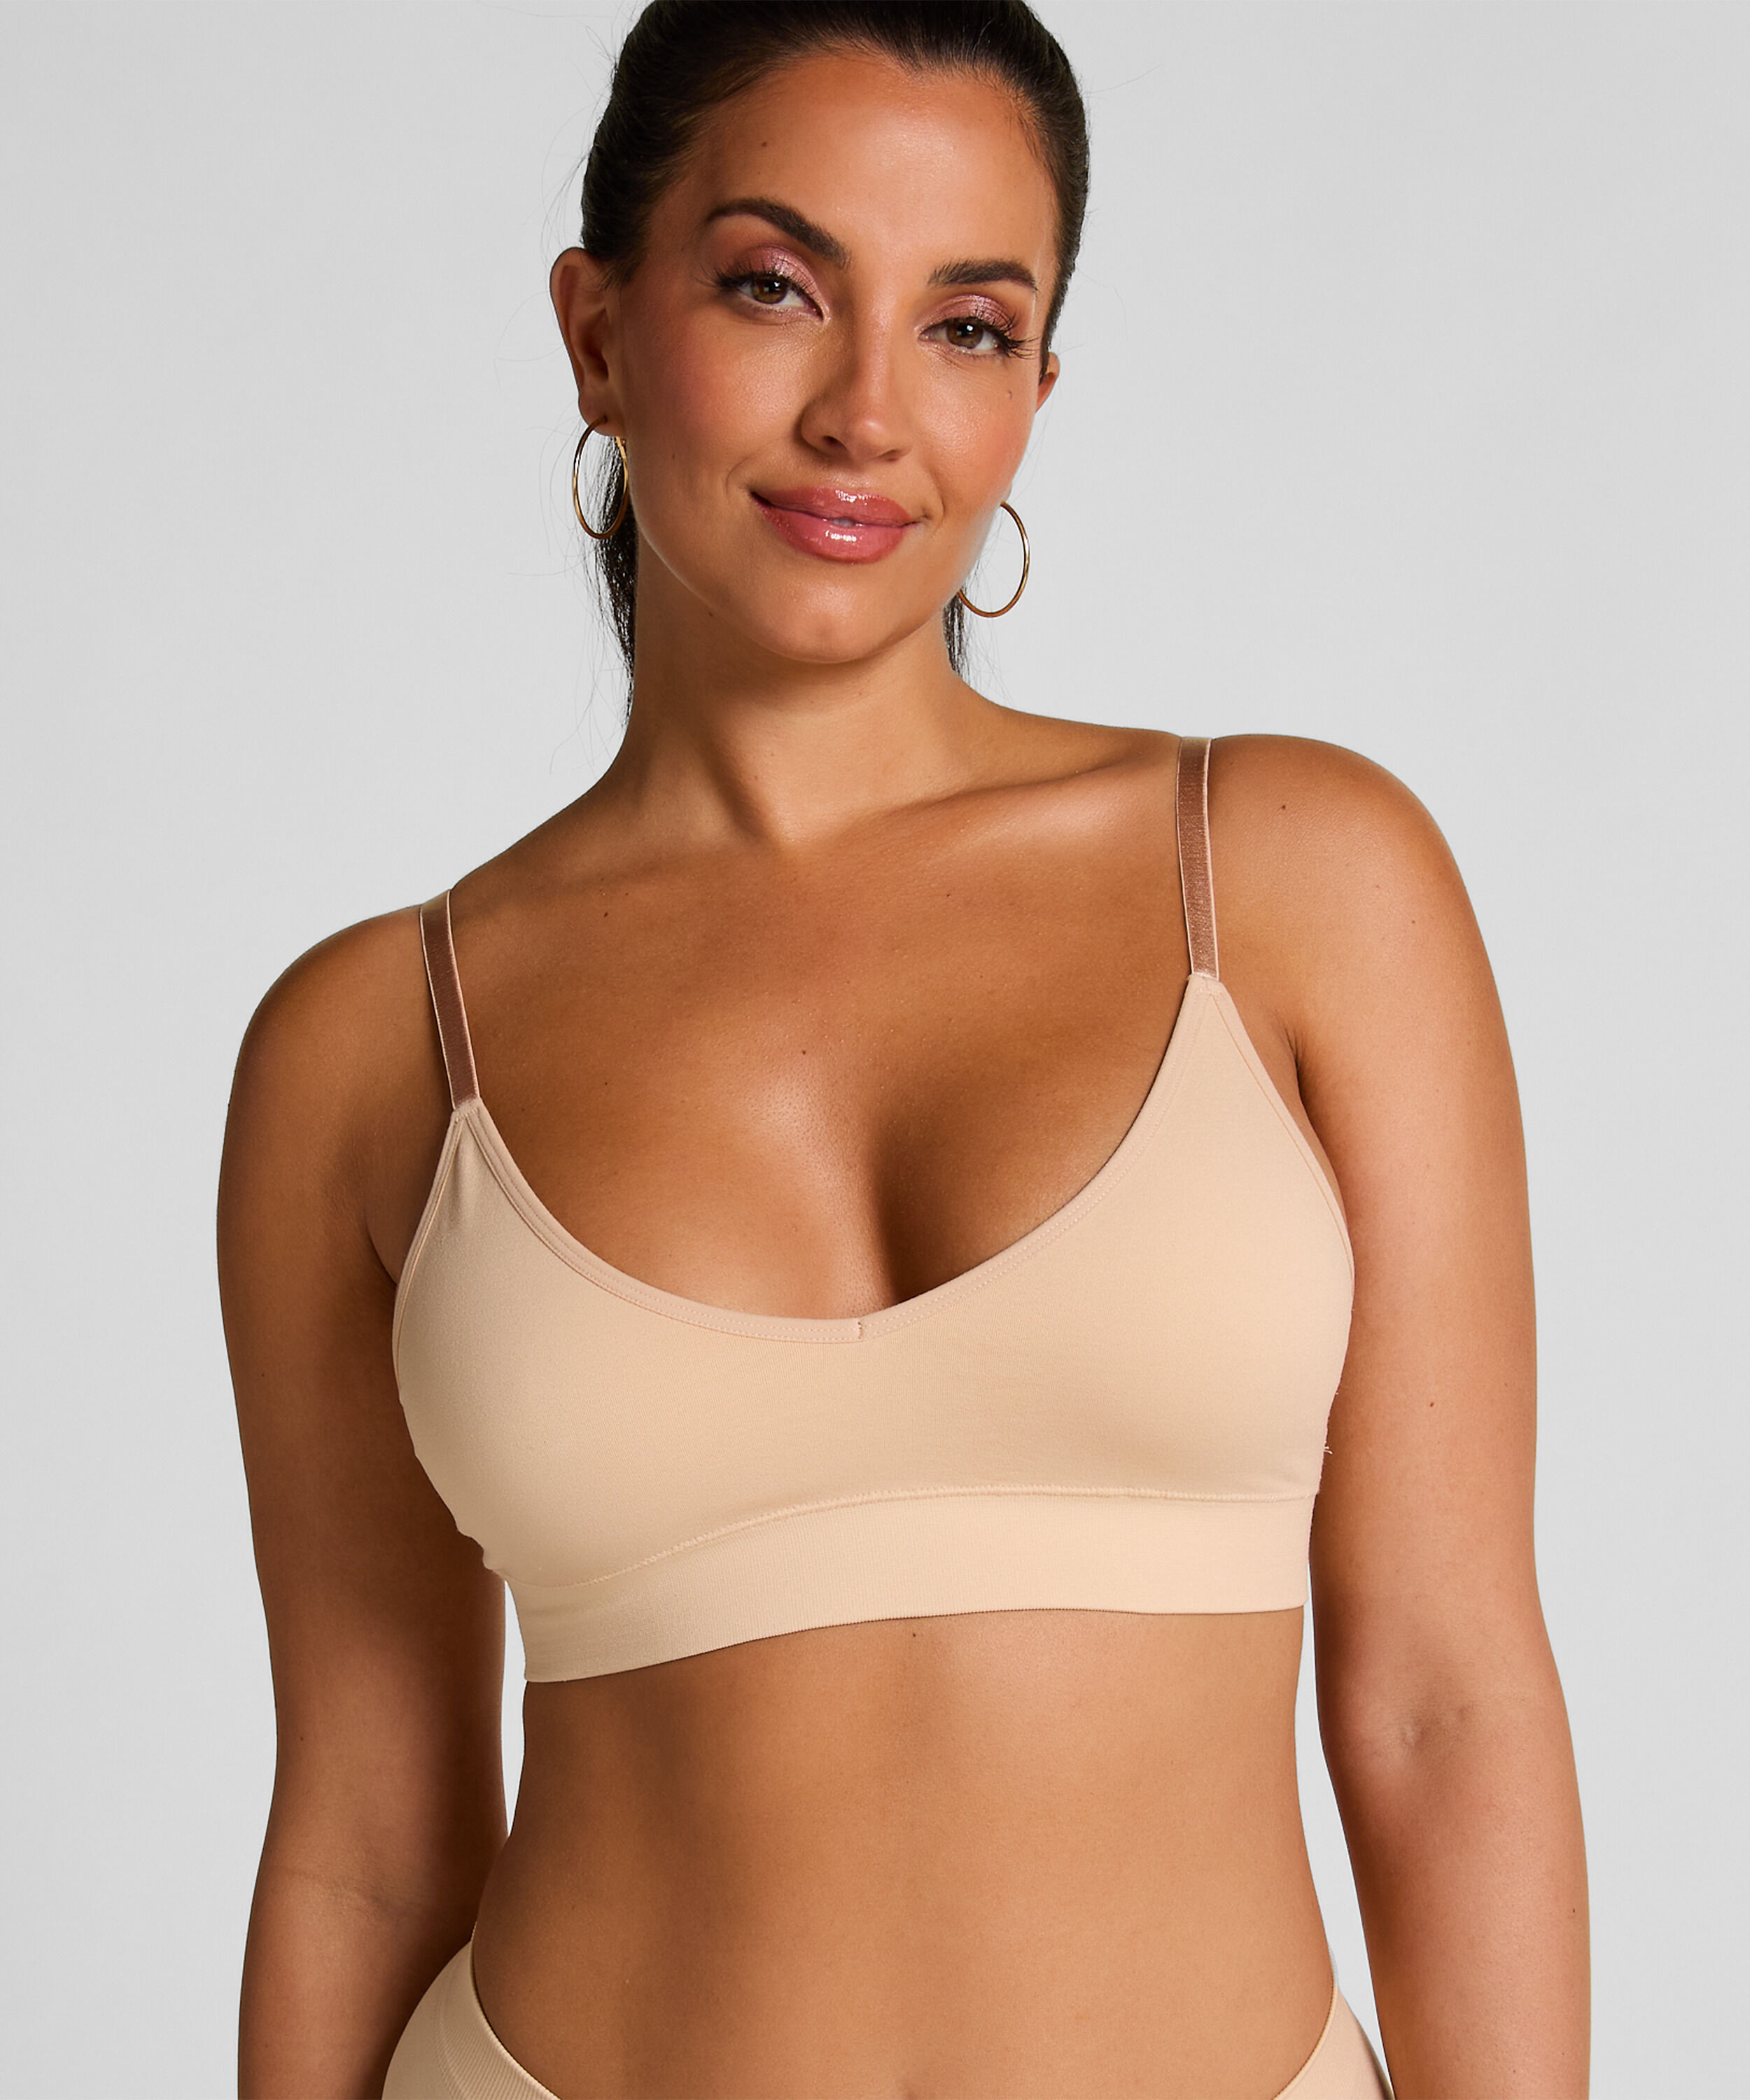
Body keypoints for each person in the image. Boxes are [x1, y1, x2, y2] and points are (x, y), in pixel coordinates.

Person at [220, 4, 1589, 2094]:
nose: (867, 413)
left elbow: (1443, 1706)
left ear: (1036, 388)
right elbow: (365, 1841)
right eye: (774, 287)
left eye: (966, 325)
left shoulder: (1299, 884)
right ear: (597, 333)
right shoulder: (373, 1050)